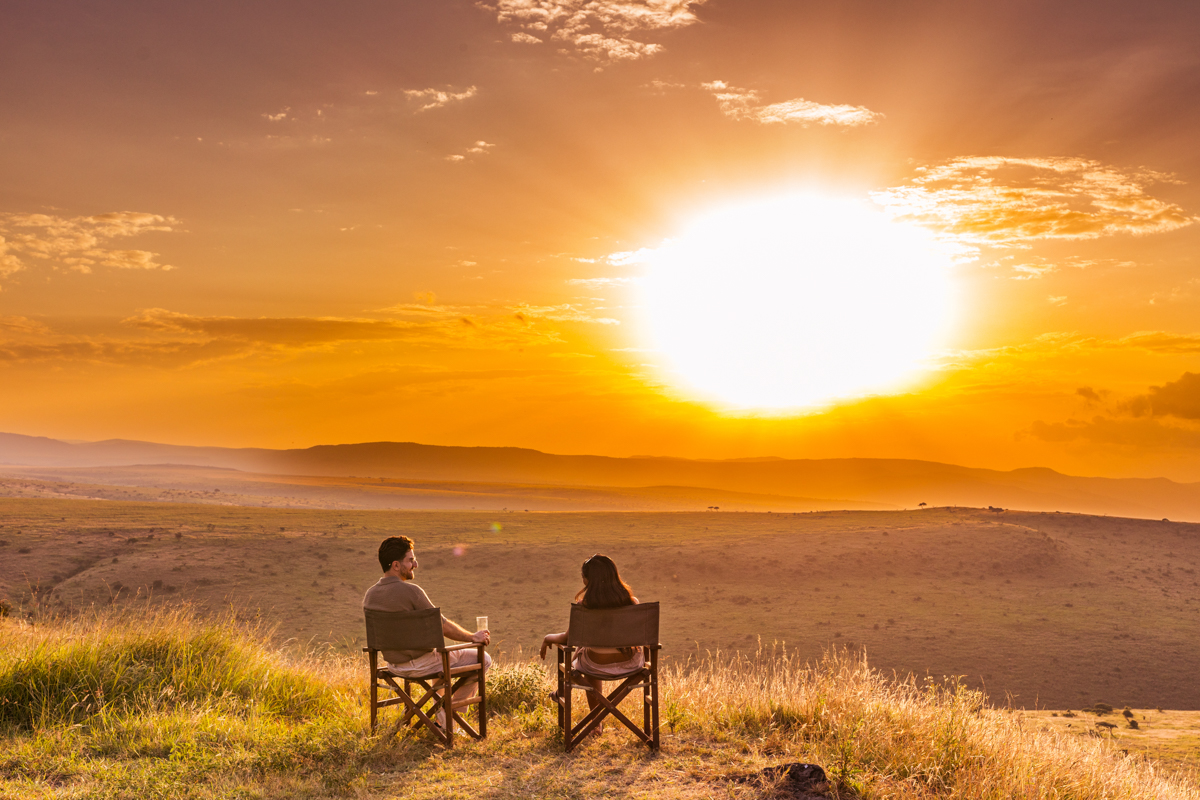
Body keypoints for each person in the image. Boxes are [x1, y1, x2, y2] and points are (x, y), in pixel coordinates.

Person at [363, 536, 491, 729]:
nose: (415, 564)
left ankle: (441, 720)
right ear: (396, 565)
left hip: (394, 666)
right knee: (484, 659)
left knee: (439, 658)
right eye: (410, 560)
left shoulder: (370, 595)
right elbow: (442, 625)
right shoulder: (412, 592)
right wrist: (472, 637)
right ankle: (448, 718)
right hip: (421, 665)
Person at [540, 554, 644, 722]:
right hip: (631, 664)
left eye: (583, 577)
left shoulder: (584, 607)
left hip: (595, 666)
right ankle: (567, 697)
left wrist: (547, 638)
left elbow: (568, 639)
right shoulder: (632, 602)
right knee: (586, 647)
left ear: (589, 580)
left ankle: (595, 721)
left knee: (587, 651)